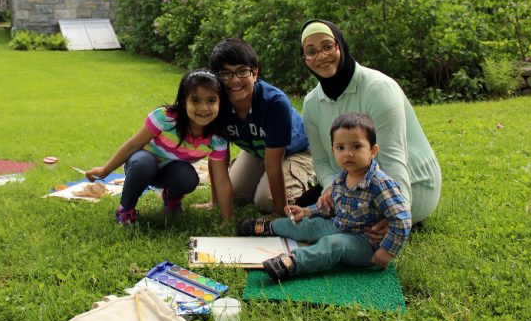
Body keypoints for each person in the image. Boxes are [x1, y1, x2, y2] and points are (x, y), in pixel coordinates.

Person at [298, 19, 442, 230]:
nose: (321, 56)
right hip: (355, 182)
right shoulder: (312, 103)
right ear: (304, 58)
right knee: (303, 208)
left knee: (338, 229)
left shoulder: (378, 88)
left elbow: (393, 160)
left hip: (413, 182)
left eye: (328, 46)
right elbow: (320, 160)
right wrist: (329, 187)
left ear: (340, 45)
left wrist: (397, 216)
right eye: (311, 51)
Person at [238, 112, 412, 281]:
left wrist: (387, 251)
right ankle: (268, 227)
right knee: (307, 225)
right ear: (333, 150)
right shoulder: (341, 178)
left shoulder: (380, 183)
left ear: (373, 150)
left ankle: (292, 262)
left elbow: (402, 219)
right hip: (339, 226)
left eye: (356, 146)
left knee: (333, 244)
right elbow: (330, 206)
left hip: (366, 244)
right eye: (341, 148)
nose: (348, 153)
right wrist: (307, 211)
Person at [86, 69, 234, 224]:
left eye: (211, 101)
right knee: (143, 163)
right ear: (184, 101)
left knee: (189, 178)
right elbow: (133, 145)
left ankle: (171, 199)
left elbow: (221, 180)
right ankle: (126, 209)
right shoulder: (165, 118)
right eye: (195, 100)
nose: (204, 108)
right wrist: (105, 170)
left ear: (220, 102)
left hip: (170, 173)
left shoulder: (217, 137)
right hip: (140, 166)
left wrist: (227, 222)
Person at [205, 38, 314, 216]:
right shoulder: (216, 103)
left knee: (265, 201)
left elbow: (273, 163)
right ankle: (258, 177)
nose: (235, 80)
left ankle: (310, 178)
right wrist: (215, 201)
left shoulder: (275, 103)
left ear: (254, 73)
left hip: (298, 151)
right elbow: (218, 155)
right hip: (259, 151)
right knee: (233, 195)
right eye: (225, 74)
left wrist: (279, 212)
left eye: (242, 71)